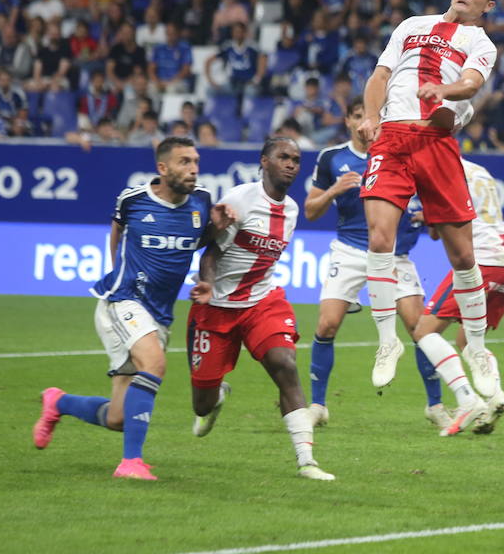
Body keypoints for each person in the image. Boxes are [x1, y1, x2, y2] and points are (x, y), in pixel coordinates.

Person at [356, 0, 504, 437]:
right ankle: (386, 342)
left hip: (436, 140)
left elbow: (471, 85)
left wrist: (444, 88)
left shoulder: (479, 42)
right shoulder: (411, 25)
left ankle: (477, 348)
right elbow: (379, 77)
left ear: (488, 3)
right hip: (392, 139)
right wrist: (370, 116)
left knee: (463, 255)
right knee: (380, 240)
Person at [32, 137, 223, 481]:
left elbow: (197, 239)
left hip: (159, 313)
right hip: (123, 301)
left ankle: (57, 403)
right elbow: (117, 228)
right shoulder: (133, 199)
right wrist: (117, 268)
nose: (193, 169)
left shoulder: (202, 203)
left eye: (195, 161)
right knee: (155, 363)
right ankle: (131, 463)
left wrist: (217, 228)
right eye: (184, 162)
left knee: (118, 418)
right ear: (162, 168)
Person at [187, 137, 335, 481]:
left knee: (284, 363)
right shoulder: (240, 199)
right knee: (201, 404)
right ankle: (217, 394)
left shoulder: (293, 210)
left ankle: (306, 461)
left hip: (261, 301)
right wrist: (207, 283)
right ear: (264, 161)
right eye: (283, 157)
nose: (291, 164)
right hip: (218, 306)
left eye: (296, 160)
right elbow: (211, 251)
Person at [303, 96, 420, 427]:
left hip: (392, 254)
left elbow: (417, 202)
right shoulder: (332, 158)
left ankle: (436, 406)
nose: (365, 123)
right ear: (349, 121)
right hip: (349, 250)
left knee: (417, 328)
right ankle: (317, 405)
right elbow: (311, 210)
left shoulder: (399, 156)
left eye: (371, 116)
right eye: (358, 116)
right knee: (326, 324)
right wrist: (334, 190)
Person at [416, 158, 504, 433]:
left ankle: (467, 399)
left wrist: (426, 216)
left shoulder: (438, 169)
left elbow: (438, 230)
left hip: (479, 263)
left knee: (424, 332)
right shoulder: (479, 170)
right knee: (466, 340)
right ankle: (497, 398)